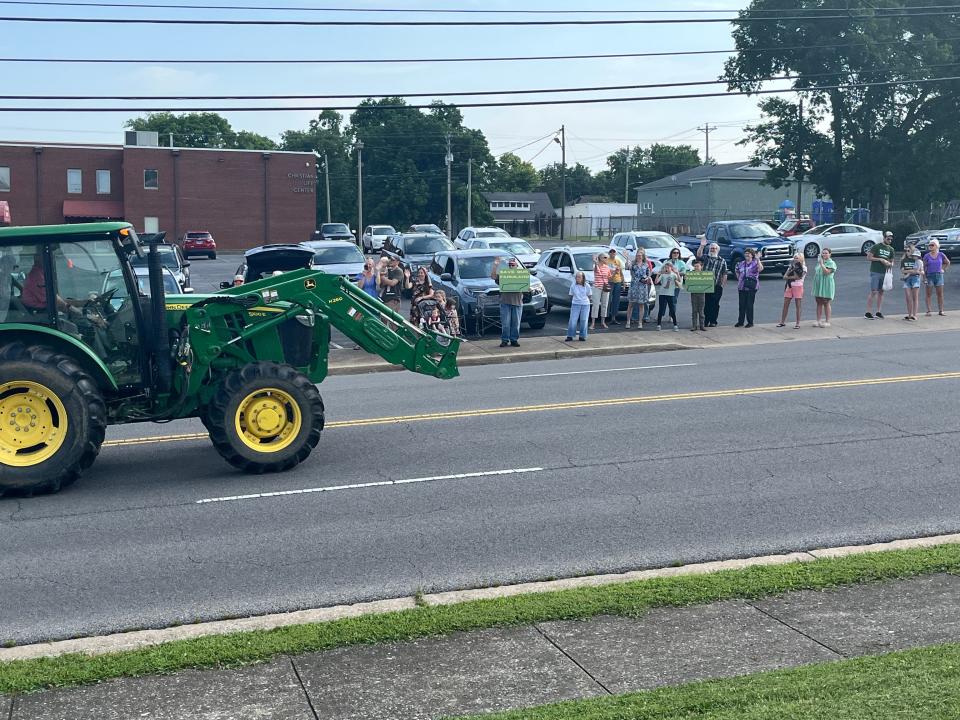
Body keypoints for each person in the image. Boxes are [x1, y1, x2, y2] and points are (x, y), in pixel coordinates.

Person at [491, 256, 523, 347]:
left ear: (516, 266)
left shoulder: (521, 275)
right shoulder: (503, 275)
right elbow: (493, 276)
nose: (511, 266)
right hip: (505, 302)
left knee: (516, 324)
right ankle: (505, 340)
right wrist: (495, 265)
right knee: (505, 324)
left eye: (513, 265)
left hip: (517, 302)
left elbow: (527, 287)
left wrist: (527, 288)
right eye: (510, 265)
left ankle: (514, 340)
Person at [697, 238, 728, 327]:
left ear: (717, 250)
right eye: (711, 248)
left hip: (717, 285)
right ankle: (705, 321)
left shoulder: (722, 261)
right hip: (705, 285)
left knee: (715, 304)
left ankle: (713, 321)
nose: (713, 249)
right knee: (705, 303)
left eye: (714, 248)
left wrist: (722, 285)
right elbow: (699, 256)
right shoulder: (705, 257)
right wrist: (702, 246)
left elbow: (724, 274)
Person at [865, 231, 895, 319]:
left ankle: (878, 311)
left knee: (881, 292)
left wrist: (890, 264)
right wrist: (880, 259)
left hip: (885, 273)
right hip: (875, 271)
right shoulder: (877, 246)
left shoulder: (891, 249)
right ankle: (868, 312)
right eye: (888, 238)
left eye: (891, 239)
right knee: (874, 291)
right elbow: (869, 257)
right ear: (884, 238)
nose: (889, 240)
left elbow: (892, 261)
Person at [777, 253, 807, 329]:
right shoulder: (791, 267)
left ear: (801, 259)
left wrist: (790, 275)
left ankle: (798, 323)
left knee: (798, 305)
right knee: (785, 304)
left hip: (798, 286)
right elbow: (784, 276)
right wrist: (791, 270)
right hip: (789, 286)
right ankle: (782, 322)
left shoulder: (804, 268)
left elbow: (798, 277)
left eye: (797, 258)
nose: (795, 259)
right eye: (794, 258)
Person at [735, 248, 763, 327]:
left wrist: (758, 259)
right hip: (742, 287)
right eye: (746, 253)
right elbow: (737, 271)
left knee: (749, 305)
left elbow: (760, 269)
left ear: (752, 255)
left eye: (749, 253)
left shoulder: (755, 262)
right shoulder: (741, 263)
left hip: (751, 287)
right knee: (741, 305)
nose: (747, 255)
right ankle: (740, 322)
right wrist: (740, 279)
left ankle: (750, 322)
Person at [625, 248, 652, 329]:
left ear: (643, 256)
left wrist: (647, 279)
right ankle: (628, 321)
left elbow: (648, 274)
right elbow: (627, 267)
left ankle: (640, 322)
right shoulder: (633, 264)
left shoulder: (646, 264)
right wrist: (627, 257)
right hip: (634, 286)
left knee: (641, 305)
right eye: (637, 255)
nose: (639, 257)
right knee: (631, 304)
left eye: (640, 255)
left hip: (642, 287)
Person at [922, 239, 951, 316]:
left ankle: (941, 310)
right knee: (928, 294)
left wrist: (943, 269)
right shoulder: (926, 256)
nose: (930, 246)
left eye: (932, 245)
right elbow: (923, 267)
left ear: (937, 246)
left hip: (939, 275)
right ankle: (929, 310)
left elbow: (947, 262)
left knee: (940, 294)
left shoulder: (941, 254)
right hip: (930, 276)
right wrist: (924, 277)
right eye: (930, 245)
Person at [813, 247, 837, 328]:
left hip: (826, 284)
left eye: (826, 253)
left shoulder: (831, 263)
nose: (824, 254)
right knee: (819, 302)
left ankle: (827, 321)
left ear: (830, 254)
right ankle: (818, 320)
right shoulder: (820, 262)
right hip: (819, 284)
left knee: (826, 302)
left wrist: (822, 264)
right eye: (823, 253)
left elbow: (827, 272)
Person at [565, 270, 591, 342]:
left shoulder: (587, 286)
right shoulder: (573, 285)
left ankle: (582, 336)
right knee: (573, 320)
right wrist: (576, 300)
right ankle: (570, 335)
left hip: (585, 304)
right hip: (575, 304)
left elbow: (589, 295)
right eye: (576, 277)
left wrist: (584, 300)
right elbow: (571, 295)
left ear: (583, 278)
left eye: (579, 277)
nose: (577, 278)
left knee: (584, 320)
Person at [654, 260, 680, 331]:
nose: (667, 269)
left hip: (670, 294)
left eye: (668, 267)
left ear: (671, 268)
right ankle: (659, 324)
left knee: (672, 309)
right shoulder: (663, 275)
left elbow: (679, 281)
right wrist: (658, 275)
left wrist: (677, 273)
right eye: (666, 267)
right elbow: (656, 282)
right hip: (662, 293)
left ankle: (675, 325)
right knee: (661, 309)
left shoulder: (673, 275)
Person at [901, 244, 923, 321]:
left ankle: (914, 315)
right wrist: (911, 271)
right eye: (906, 251)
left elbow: (920, 270)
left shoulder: (916, 259)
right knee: (908, 297)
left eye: (908, 250)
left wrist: (916, 272)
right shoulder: (904, 260)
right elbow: (903, 270)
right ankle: (909, 314)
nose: (907, 252)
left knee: (915, 297)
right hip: (907, 279)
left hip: (915, 278)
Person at [590, 253, 611, 331]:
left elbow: (609, 277)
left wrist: (615, 272)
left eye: (607, 257)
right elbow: (596, 271)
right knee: (595, 305)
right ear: (600, 258)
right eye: (605, 257)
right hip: (597, 287)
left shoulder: (607, 267)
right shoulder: (596, 265)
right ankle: (593, 322)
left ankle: (603, 321)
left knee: (604, 304)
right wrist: (595, 262)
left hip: (605, 287)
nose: (606, 259)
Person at [605, 249, 625, 325]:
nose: (612, 253)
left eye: (614, 252)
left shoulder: (618, 261)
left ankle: (614, 317)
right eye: (611, 252)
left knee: (616, 300)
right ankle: (606, 317)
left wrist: (623, 282)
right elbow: (606, 272)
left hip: (618, 281)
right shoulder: (607, 261)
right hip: (610, 281)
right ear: (609, 253)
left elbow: (621, 272)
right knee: (608, 300)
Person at [688, 258, 707, 332]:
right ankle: (694, 326)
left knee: (701, 311)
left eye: (697, 266)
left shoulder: (705, 274)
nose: (696, 267)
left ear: (701, 266)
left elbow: (708, 282)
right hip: (694, 294)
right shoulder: (691, 273)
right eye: (695, 266)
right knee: (694, 310)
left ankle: (702, 325)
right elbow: (688, 282)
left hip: (702, 293)